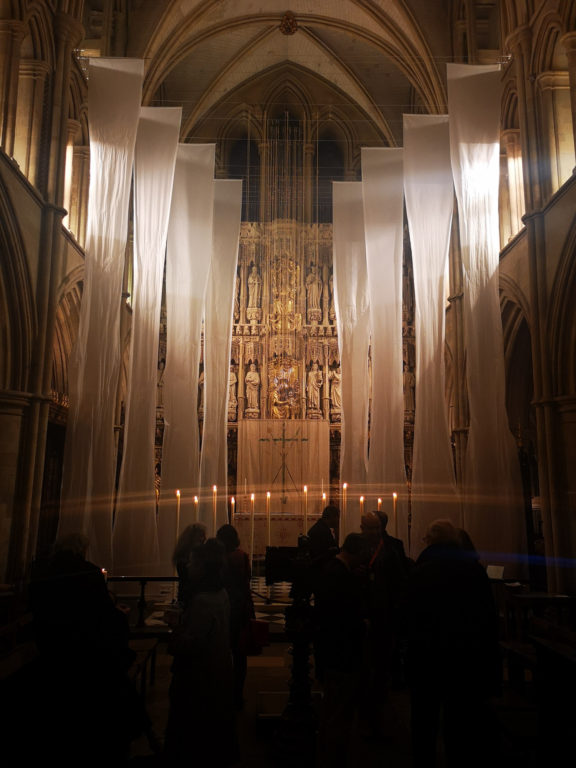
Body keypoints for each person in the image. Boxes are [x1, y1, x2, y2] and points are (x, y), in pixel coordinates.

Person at [406, 519, 502, 768]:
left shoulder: (420, 572)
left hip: (427, 658)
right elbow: (487, 622)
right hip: (465, 657)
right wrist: (492, 676)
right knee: (460, 723)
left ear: (429, 541)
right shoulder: (474, 572)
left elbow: (409, 620)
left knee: (424, 722)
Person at [164, 538, 238, 766]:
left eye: (192, 563)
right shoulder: (220, 593)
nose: (188, 566)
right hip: (218, 673)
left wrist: (175, 631)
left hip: (199, 679)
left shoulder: (203, 601)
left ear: (202, 567)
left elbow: (192, 644)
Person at [314, 532, 370, 767]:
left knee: (334, 707)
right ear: (357, 552)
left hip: (333, 651)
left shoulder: (336, 571)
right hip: (340, 653)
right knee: (338, 710)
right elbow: (342, 616)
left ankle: (329, 751)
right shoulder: (338, 575)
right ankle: (332, 756)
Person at [216, 523, 254, 710]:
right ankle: (238, 694)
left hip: (224, 606)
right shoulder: (242, 556)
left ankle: (222, 693)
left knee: (223, 651)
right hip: (240, 608)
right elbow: (247, 579)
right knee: (240, 654)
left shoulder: (220, 558)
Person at [172, 522, 207, 605]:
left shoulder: (182, 555)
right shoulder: (186, 557)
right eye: (201, 536)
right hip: (191, 595)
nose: (204, 539)